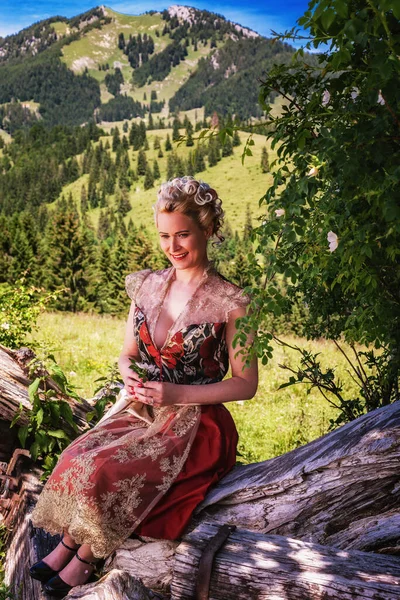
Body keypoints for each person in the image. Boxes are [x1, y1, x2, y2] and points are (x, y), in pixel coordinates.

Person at [29, 176, 258, 597]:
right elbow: (127, 353)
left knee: (110, 470)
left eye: (183, 235)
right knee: (78, 453)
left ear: (207, 229)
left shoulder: (232, 302)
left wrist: (178, 395)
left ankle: (86, 557)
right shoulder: (146, 286)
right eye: (164, 236)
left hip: (197, 423)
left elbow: (247, 384)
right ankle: (67, 543)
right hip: (142, 409)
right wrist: (126, 373)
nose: (173, 247)